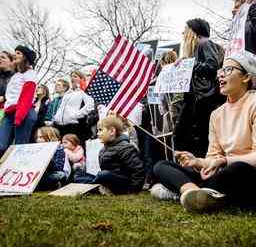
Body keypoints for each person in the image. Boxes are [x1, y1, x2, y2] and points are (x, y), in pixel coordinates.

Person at [153, 51, 256, 212]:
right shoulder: (216, 114)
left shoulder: (253, 103)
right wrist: (198, 162)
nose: (221, 76)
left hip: (244, 172)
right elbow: (213, 157)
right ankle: (194, 193)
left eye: (228, 70)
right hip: (220, 174)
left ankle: (183, 192)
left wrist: (224, 161)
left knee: (238, 169)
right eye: (220, 71)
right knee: (161, 166)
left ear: (246, 77)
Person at [173, 18, 225, 158]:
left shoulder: (204, 43)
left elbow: (212, 67)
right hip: (194, 101)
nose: (183, 32)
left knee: (198, 141)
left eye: (186, 29)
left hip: (205, 101)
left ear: (194, 32)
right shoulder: (194, 52)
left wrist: (189, 64)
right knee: (181, 137)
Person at [75, 116, 145, 194]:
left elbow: (138, 171)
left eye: (101, 130)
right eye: (98, 131)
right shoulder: (103, 149)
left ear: (112, 131)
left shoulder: (126, 147)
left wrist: (132, 190)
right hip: (109, 180)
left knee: (103, 175)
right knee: (78, 175)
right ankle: (95, 186)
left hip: (124, 183)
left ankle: (93, 186)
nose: (98, 134)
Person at [0, 46, 38, 156]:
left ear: (25, 58)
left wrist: (19, 117)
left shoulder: (30, 74)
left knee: (19, 148)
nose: (15, 54)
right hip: (9, 113)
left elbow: (26, 97)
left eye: (18, 53)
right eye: (15, 52)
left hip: (23, 113)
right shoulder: (16, 75)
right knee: (1, 146)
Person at [53, 71, 95, 145]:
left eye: (75, 76)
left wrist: (76, 115)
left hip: (73, 126)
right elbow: (61, 107)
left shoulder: (83, 91)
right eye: (71, 76)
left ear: (81, 79)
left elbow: (90, 105)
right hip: (60, 126)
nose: (72, 78)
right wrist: (56, 117)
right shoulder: (68, 93)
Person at [36, 126, 71, 190]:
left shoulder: (59, 149)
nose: (38, 140)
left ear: (50, 137)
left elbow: (58, 168)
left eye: (41, 137)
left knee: (60, 175)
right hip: (43, 174)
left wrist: (48, 161)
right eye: (37, 137)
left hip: (56, 173)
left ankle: (54, 184)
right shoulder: (38, 149)